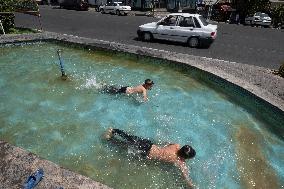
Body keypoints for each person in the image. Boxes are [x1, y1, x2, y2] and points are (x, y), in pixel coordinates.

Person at [104, 128, 196, 188]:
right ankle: (110, 140)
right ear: (185, 158)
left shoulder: (176, 146)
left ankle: (113, 130)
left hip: (149, 145)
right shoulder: (179, 161)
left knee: (130, 138)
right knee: (125, 146)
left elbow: (167, 143)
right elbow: (185, 177)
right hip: (146, 153)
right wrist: (191, 186)